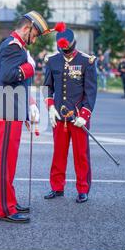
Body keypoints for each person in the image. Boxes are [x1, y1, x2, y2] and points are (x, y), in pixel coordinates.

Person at [0, 10, 65, 223]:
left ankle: (9, 201)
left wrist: (30, 104)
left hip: (11, 109)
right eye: (34, 35)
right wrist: (30, 67)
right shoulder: (13, 47)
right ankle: (5, 209)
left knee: (9, 162)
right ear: (27, 29)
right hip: (6, 111)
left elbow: (17, 83)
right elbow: (8, 76)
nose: (34, 40)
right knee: (5, 162)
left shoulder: (17, 47)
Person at [42, 27, 97, 204]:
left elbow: (90, 92)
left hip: (78, 118)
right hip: (59, 116)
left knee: (81, 155)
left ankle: (83, 188)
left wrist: (84, 115)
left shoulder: (86, 62)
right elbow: (47, 87)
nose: (66, 54)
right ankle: (57, 187)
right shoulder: (52, 61)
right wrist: (50, 107)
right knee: (58, 153)